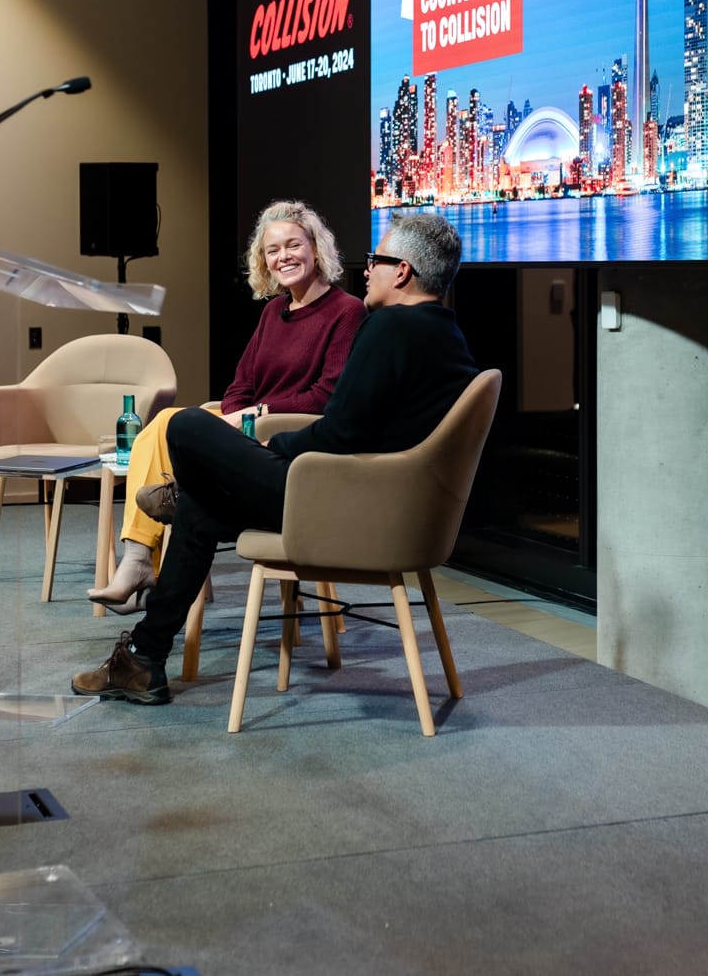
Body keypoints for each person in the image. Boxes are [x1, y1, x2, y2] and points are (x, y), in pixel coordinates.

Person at [73, 211, 477, 704]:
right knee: (200, 511)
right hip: (380, 503)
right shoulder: (446, 335)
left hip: (341, 504)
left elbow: (338, 430)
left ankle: (186, 493)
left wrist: (268, 447)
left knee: (184, 425)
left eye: (376, 260)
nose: (366, 269)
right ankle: (142, 657)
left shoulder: (388, 329)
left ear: (404, 271)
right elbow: (357, 430)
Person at [87, 200, 363, 607]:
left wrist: (258, 414)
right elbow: (242, 382)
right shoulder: (273, 311)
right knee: (163, 423)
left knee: (174, 426)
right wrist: (234, 416)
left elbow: (327, 395)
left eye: (293, 245)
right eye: (273, 250)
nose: (284, 257)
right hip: (248, 424)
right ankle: (137, 556)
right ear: (263, 261)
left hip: (289, 434)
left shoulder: (346, 311)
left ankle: (141, 562)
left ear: (316, 248)